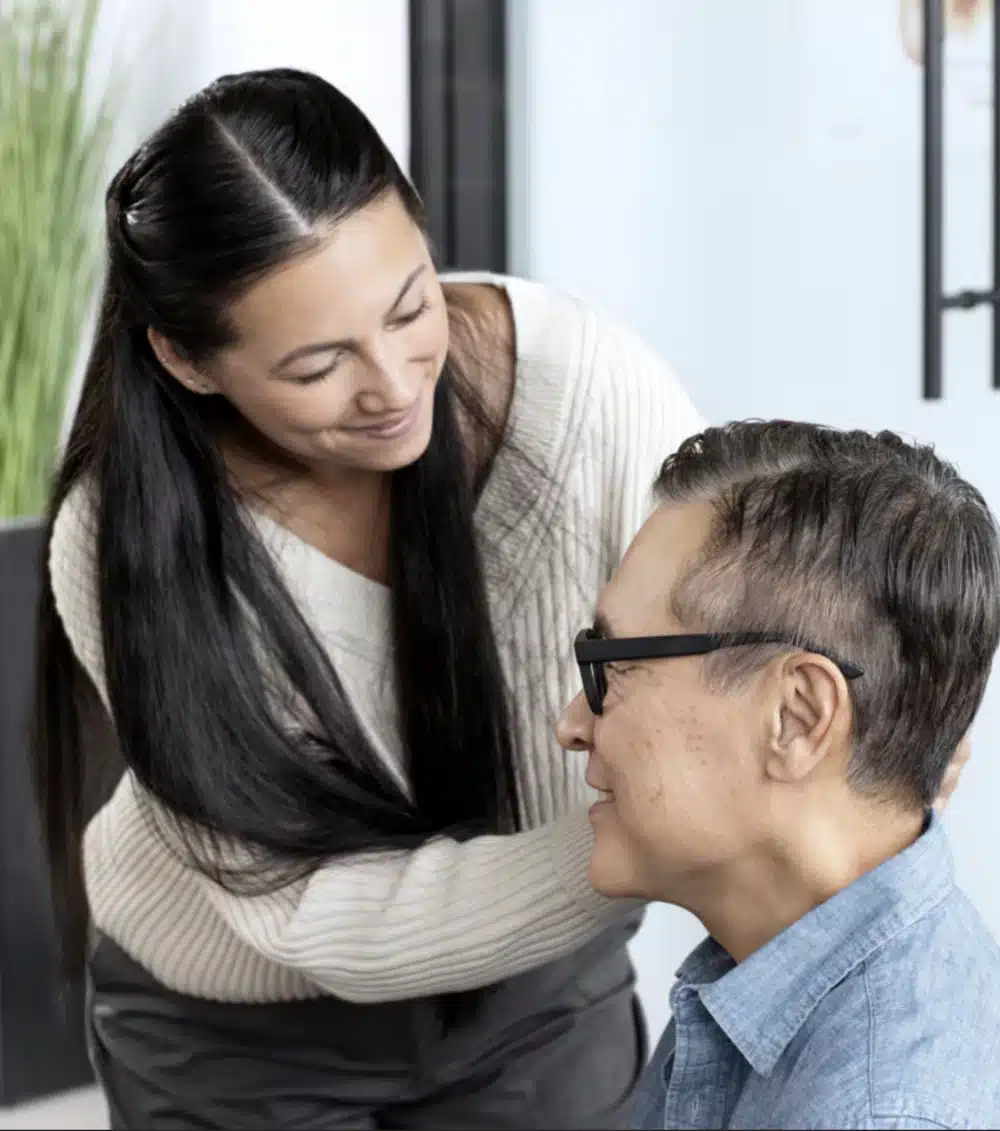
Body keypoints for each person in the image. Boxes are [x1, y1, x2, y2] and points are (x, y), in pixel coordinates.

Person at [32, 68, 706, 1129]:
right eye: (316, 365)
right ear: (188, 360)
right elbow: (309, 915)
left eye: (409, 307)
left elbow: (722, 634)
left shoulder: (582, 386)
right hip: (233, 1034)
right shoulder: (126, 535)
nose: (394, 384)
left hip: (540, 998)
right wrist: (655, 849)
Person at [556, 420, 1000, 1131]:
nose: (573, 723)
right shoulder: (767, 967)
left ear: (797, 717)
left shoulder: (875, 1111)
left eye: (614, 666)